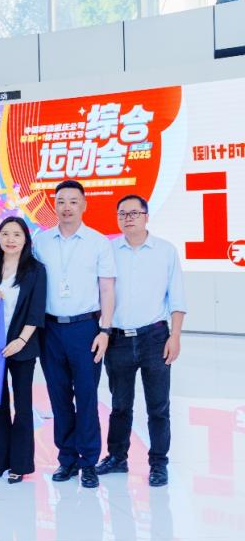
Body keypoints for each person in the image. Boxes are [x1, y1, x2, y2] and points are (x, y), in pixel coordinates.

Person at [96, 194, 186, 487]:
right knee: (120, 405)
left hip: (155, 337)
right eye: (122, 214)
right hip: (118, 339)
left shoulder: (165, 251)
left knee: (158, 406)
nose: (128, 218)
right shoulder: (108, 251)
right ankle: (117, 457)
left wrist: (175, 336)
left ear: (146, 216)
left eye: (134, 213)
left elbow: (177, 298)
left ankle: (158, 463)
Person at [32, 180, 115, 489]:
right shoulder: (41, 241)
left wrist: (105, 329)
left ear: (84, 205)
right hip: (50, 329)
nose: (66, 207)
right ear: (54, 205)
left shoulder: (98, 242)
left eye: (73, 201)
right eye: (61, 201)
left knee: (87, 396)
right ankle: (66, 459)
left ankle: (89, 461)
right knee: (59, 396)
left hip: (86, 329)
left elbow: (107, 289)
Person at [0, 217, 46, 483]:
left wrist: (21, 341)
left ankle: (20, 464)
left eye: (16, 234)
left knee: (23, 406)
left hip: (22, 346)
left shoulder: (36, 270)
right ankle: (0, 461)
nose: (10, 239)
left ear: (26, 239)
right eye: (5, 234)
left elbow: (36, 311)